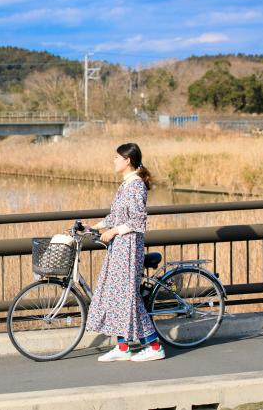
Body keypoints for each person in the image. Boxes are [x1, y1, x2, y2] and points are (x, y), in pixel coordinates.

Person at [79, 143, 164, 362]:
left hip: (128, 246)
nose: (113, 161)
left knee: (127, 296)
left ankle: (154, 345)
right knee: (114, 294)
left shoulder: (135, 185)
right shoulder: (126, 185)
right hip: (119, 247)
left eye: (117, 158)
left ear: (128, 160)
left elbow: (138, 220)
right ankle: (123, 346)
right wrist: (94, 227)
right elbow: (115, 216)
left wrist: (114, 231)